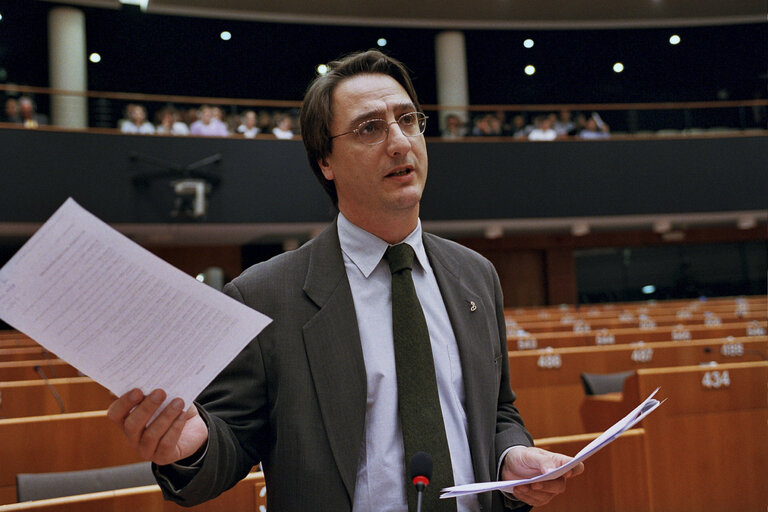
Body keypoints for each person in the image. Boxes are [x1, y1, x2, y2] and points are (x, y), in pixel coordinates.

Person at [108, 49, 582, 512]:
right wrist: (192, 447)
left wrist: (509, 456)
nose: (399, 142)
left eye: (408, 120)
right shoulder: (265, 296)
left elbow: (496, 410)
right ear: (325, 162)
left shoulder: (476, 275)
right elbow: (229, 444)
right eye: (370, 128)